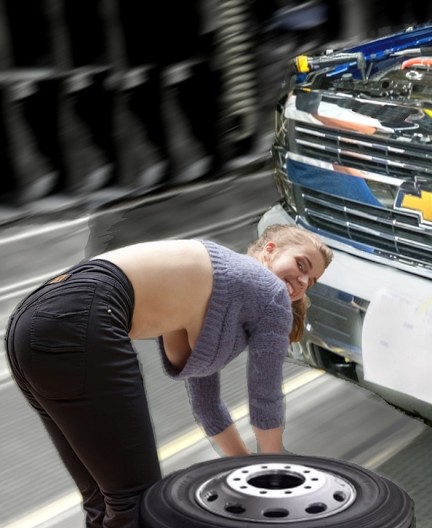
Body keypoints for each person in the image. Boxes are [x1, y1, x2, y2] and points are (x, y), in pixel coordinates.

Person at [5, 224, 332, 528]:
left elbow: (206, 404)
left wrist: (244, 464)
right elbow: (265, 394)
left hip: (31, 324)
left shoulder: (220, 288)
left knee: (104, 504)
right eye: (302, 265)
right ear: (270, 249)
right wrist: (273, 474)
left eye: (312, 280)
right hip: (81, 317)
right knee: (137, 504)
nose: (303, 282)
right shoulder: (271, 293)